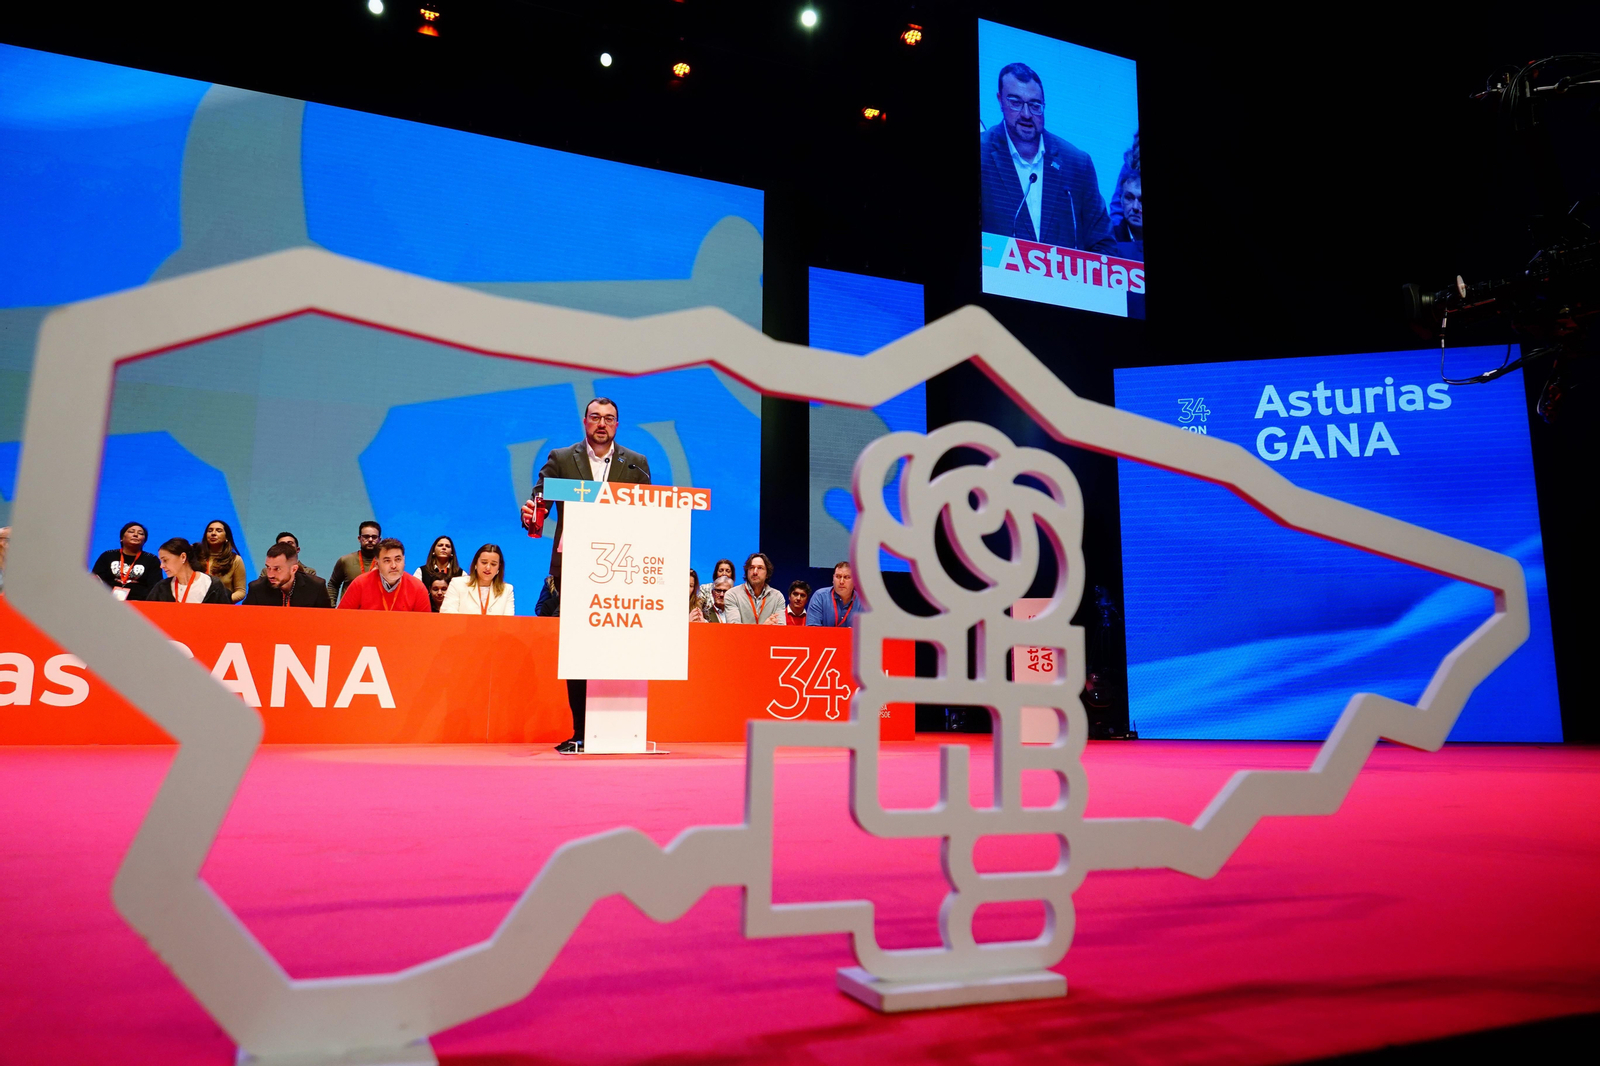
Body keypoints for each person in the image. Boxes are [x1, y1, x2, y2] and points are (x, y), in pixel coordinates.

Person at [519, 397, 652, 754]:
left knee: (616, 652)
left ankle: (619, 729)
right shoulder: (562, 458)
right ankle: (581, 732)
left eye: (609, 418)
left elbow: (649, 514)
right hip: (574, 568)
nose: (602, 424)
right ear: (585, 421)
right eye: (595, 417)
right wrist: (532, 513)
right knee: (579, 653)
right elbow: (539, 501)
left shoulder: (636, 464)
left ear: (617, 425)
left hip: (623, 571)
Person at [979, 62, 1115, 253]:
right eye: (1016, 102)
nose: (1026, 114)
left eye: (1035, 105)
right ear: (1000, 101)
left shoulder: (1076, 164)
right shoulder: (981, 155)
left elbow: (1103, 243)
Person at [335, 537, 431, 612]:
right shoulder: (360, 584)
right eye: (387, 561)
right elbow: (342, 619)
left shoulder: (418, 588)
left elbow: (424, 627)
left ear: (404, 561)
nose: (393, 566)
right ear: (377, 564)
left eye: (398, 559)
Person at [243, 540, 333, 607]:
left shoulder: (316, 587)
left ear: (294, 569)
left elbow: (326, 621)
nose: (270, 575)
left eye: (277, 569)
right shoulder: (256, 588)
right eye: (268, 567)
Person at [91, 521, 162, 601]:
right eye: (131, 532)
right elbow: (96, 580)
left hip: (139, 604)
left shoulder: (151, 559)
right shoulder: (107, 556)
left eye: (140, 533)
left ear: (144, 541)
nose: (135, 535)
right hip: (107, 601)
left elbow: (154, 588)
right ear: (121, 538)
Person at [146, 538, 232, 604]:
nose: (161, 566)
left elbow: (224, 617)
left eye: (165, 560)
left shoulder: (212, 585)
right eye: (161, 561)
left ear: (183, 557)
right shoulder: (161, 587)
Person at [441, 543, 515, 615]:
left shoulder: (507, 590)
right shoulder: (457, 584)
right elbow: (447, 614)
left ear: (499, 567)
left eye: (493, 564)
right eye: (484, 562)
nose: (488, 568)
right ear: (476, 564)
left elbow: (508, 622)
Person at [328, 521, 383, 606]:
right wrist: (331, 608)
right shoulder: (345, 561)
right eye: (366, 537)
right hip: (349, 613)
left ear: (379, 540)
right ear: (359, 538)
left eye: (374, 537)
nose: (370, 540)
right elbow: (333, 585)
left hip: (374, 613)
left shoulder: (385, 564)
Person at [197, 519, 248, 603]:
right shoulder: (196, 557)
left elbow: (241, 592)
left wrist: (222, 601)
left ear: (226, 537)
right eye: (210, 531)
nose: (213, 533)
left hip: (223, 609)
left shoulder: (235, 560)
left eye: (218, 531)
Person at [726, 552, 783, 624]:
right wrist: (764, 628)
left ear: (767, 574)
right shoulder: (732, 595)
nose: (755, 572)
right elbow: (735, 630)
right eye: (751, 568)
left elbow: (781, 630)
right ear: (747, 572)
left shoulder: (777, 597)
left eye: (760, 568)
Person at [415, 536, 463, 613]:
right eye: (440, 545)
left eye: (447, 546)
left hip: (453, 616)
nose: (444, 548)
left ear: (452, 553)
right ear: (433, 551)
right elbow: (415, 596)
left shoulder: (461, 574)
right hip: (426, 614)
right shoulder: (421, 571)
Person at [806, 561, 858, 627]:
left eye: (846, 577)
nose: (841, 582)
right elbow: (812, 631)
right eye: (838, 577)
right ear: (833, 579)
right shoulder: (820, 597)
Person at [1112, 173, 1143, 260]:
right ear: (1121, 200)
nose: (1135, 207)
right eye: (1129, 198)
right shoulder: (1108, 239)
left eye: (1142, 201)